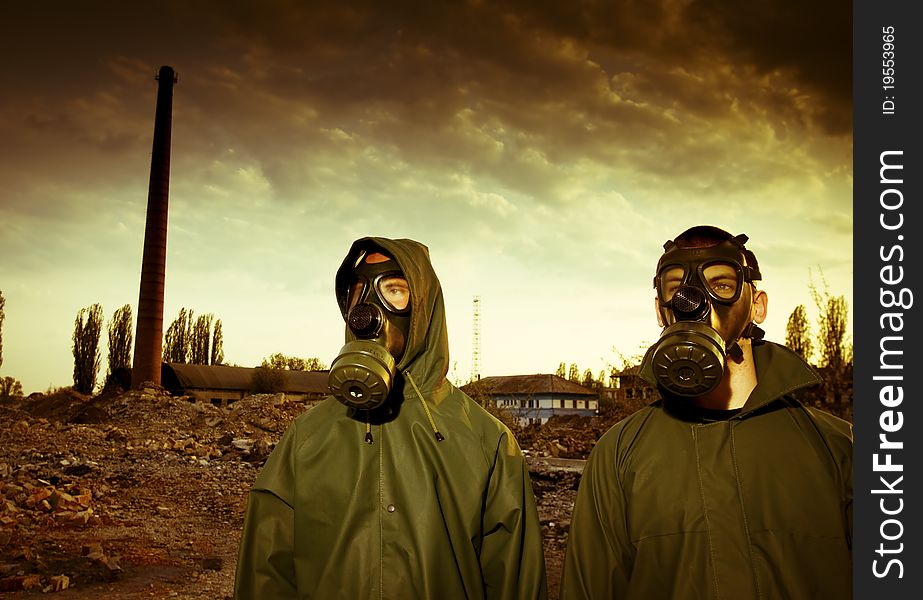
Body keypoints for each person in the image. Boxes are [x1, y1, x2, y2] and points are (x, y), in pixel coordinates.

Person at [235, 236, 547, 599]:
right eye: (358, 292)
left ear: (424, 309)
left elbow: (515, 583)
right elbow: (265, 575)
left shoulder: (486, 441)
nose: (367, 308)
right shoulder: (306, 437)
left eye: (393, 290)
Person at [561, 225, 852, 599]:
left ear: (757, 305)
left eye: (722, 285)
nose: (695, 302)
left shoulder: (838, 448)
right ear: (661, 310)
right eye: (677, 290)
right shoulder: (619, 454)